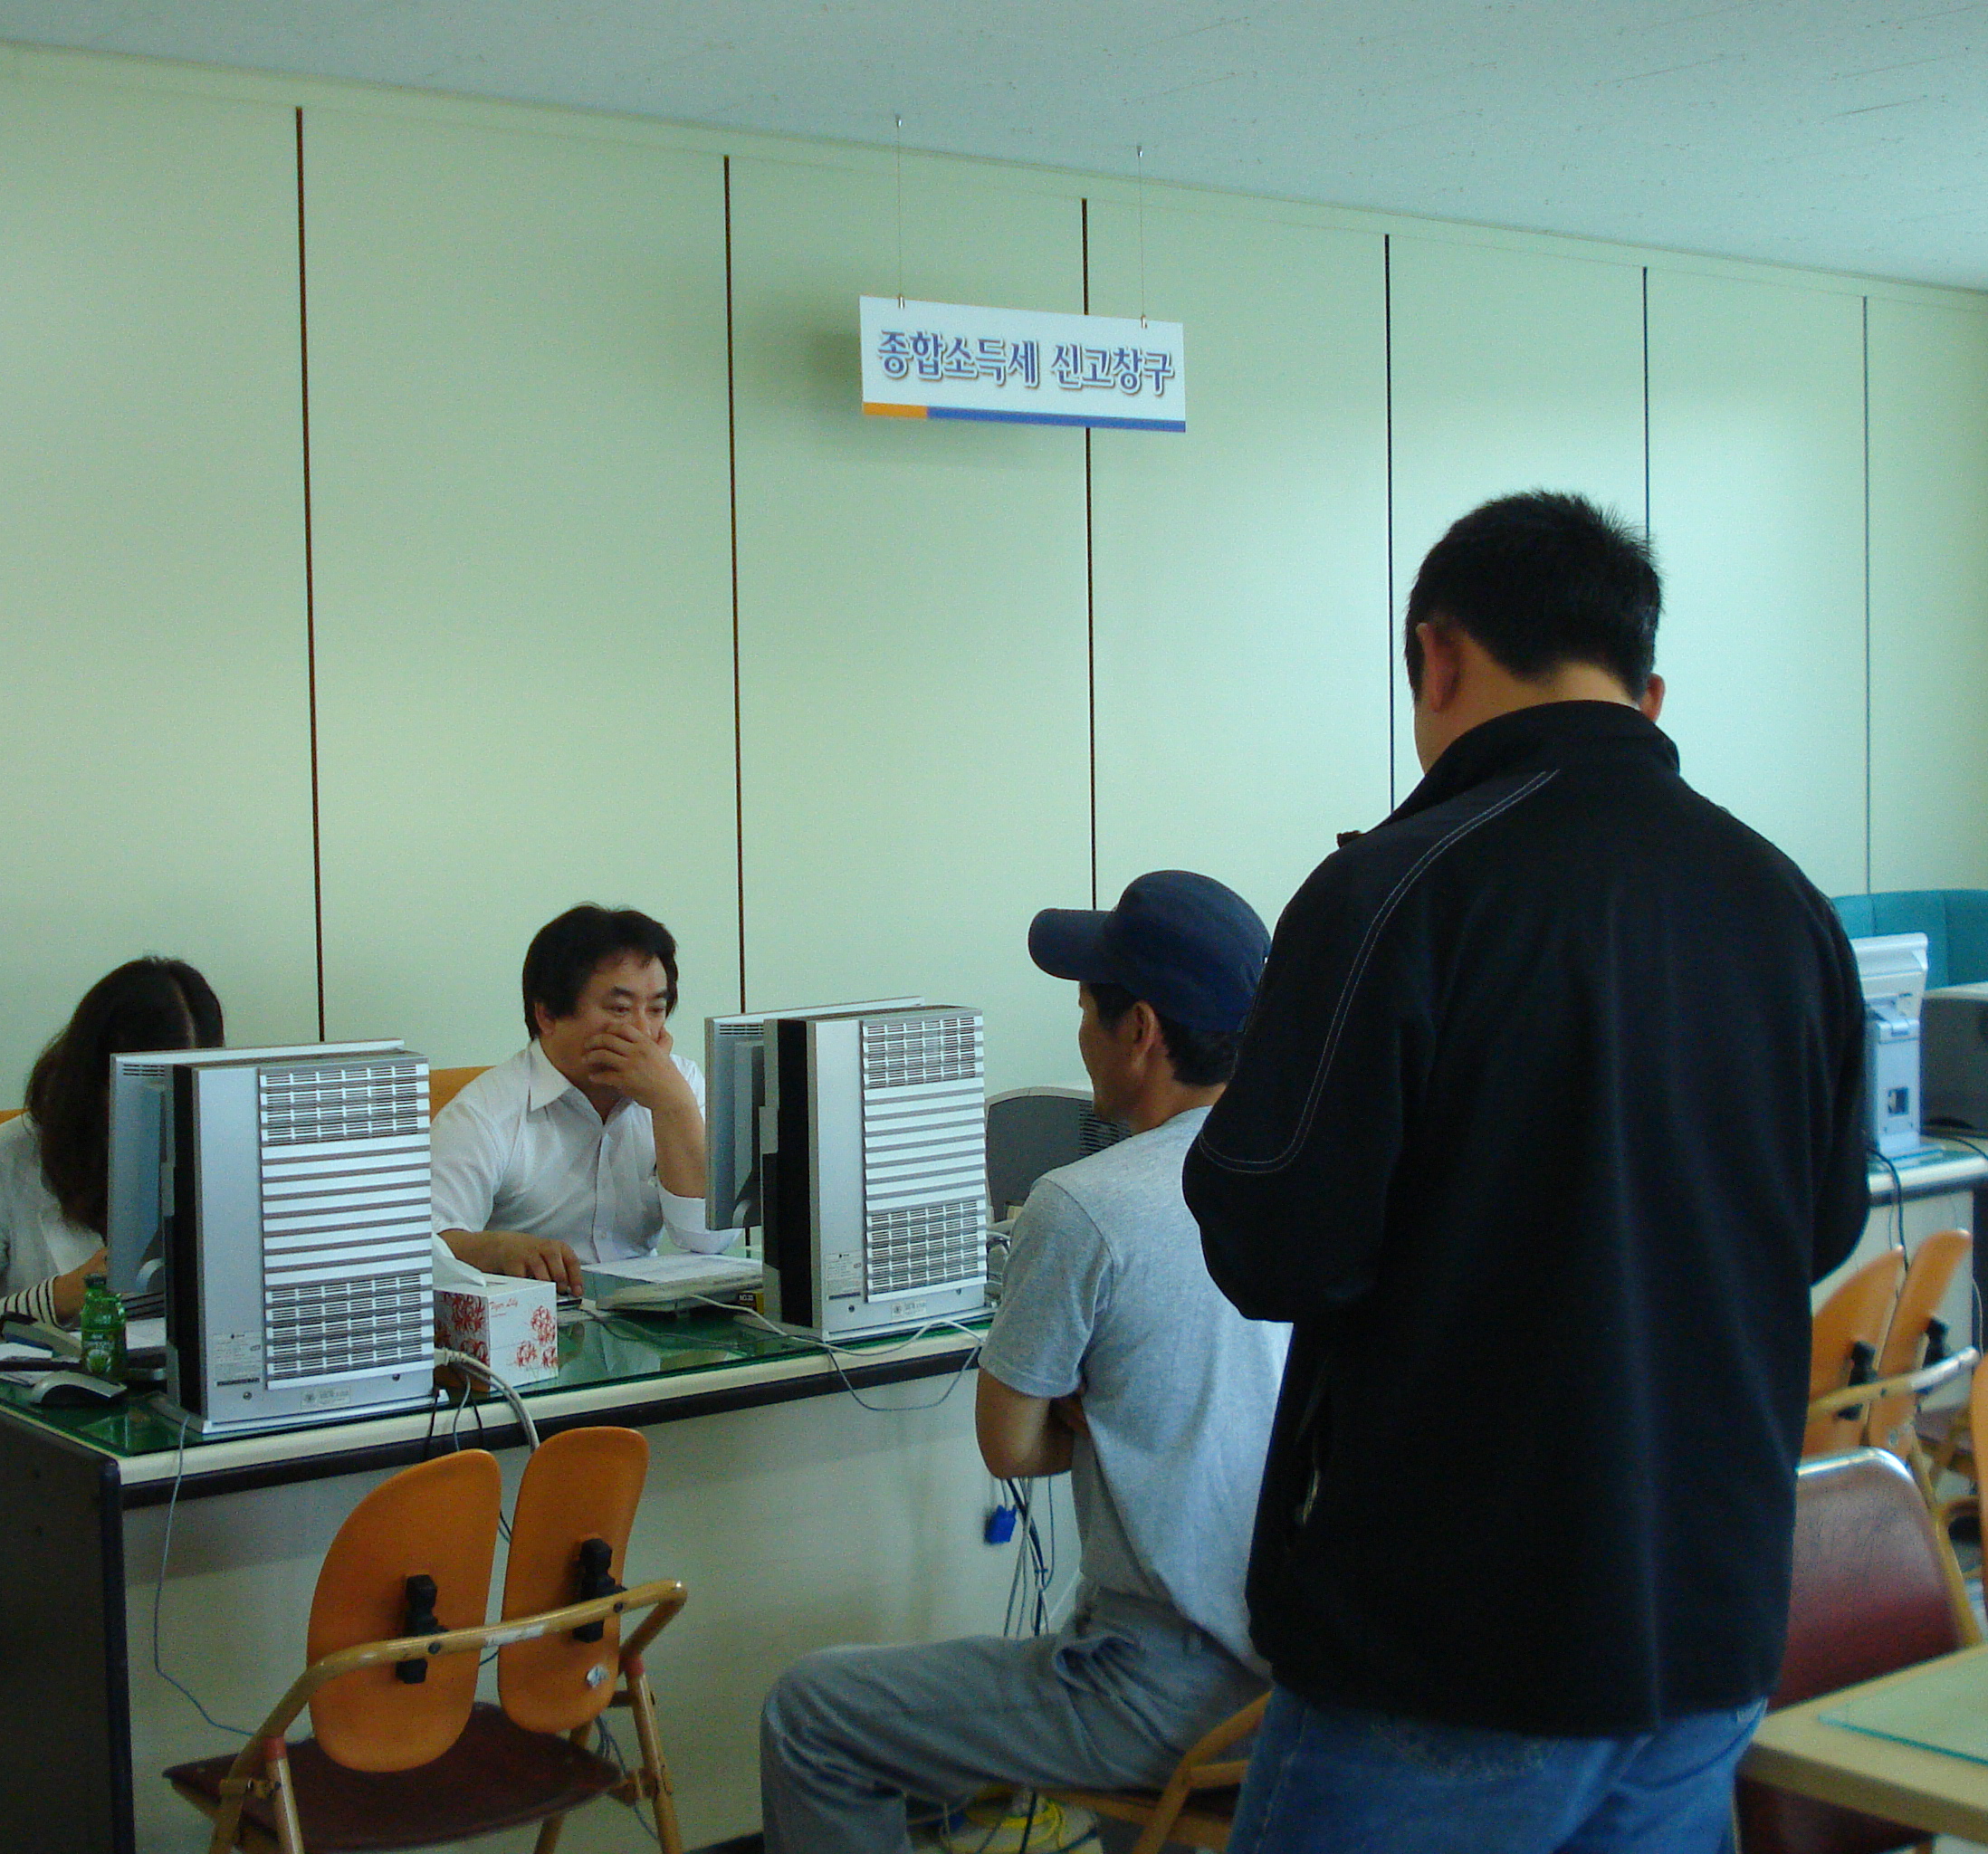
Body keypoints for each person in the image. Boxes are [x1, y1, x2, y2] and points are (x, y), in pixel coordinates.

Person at [1183, 492, 1868, 1853]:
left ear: (1438, 656)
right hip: (1712, 1625)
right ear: (1644, 687)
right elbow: (1824, 1225)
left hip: (1453, 1647)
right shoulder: (1784, 902)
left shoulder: (1395, 890)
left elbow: (1276, 1246)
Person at [761, 870, 1288, 1854]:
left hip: (1153, 1687)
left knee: (811, 1711)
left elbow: (1011, 1445)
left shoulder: (1087, 1203)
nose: (1079, 1033)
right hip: (1295, 1690)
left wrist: (1102, 1412)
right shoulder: (1310, 1179)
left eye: (1086, 1008)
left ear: (1141, 1030)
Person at [0, 955, 224, 1350]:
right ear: (96, 1078)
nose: (170, 1114)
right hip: (54, 1382)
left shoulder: (221, 1149)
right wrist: (62, 1295)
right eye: (151, 1090)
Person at [430, 904, 729, 1294]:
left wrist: (672, 1106)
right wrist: (495, 1248)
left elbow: (709, 1240)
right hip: (533, 1316)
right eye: (620, 1009)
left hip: (646, 1313)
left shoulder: (679, 1085)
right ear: (548, 1015)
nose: (643, 1031)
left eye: (656, 1009)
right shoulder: (483, 1112)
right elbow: (426, 1249)